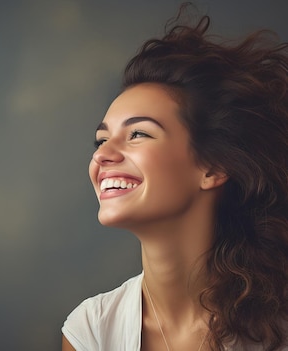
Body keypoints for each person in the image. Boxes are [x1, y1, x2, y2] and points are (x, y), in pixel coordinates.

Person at [61, 7, 288, 351]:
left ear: (211, 168)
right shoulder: (90, 331)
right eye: (101, 139)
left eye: (138, 133)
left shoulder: (280, 325)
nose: (102, 155)